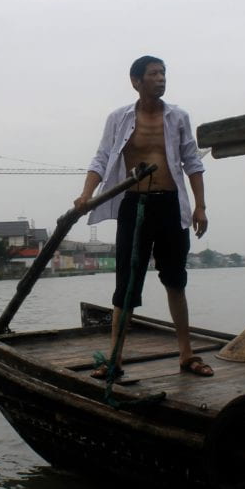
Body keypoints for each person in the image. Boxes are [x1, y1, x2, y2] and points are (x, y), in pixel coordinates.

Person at [74, 55, 211, 378]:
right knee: (127, 283)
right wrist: (86, 195)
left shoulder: (178, 117)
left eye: (163, 73)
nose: (161, 78)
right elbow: (102, 157)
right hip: (134, 206)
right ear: (136, 81)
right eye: (154, 74)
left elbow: (192, 162)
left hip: (170, 205)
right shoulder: (119, 119)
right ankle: (115, 361)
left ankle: (187, 355)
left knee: (175, 281)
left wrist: (200, 206)